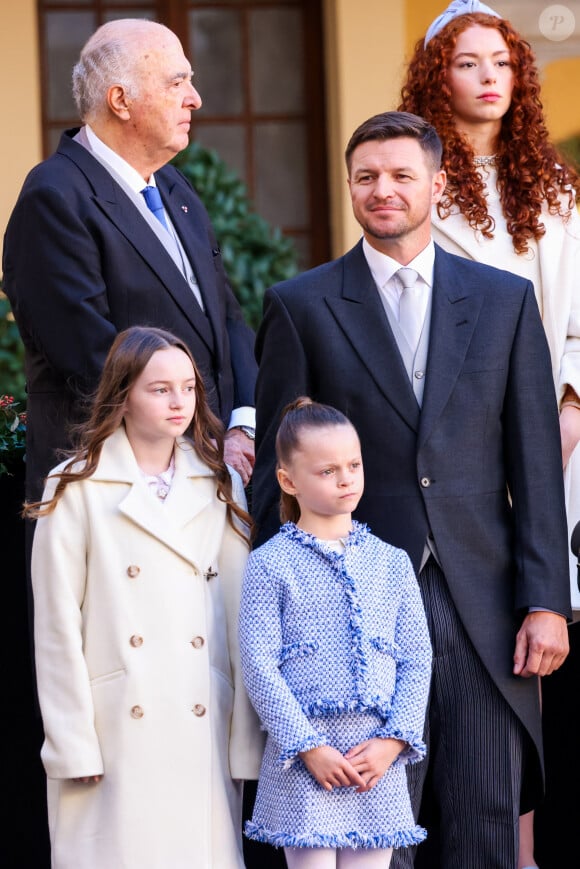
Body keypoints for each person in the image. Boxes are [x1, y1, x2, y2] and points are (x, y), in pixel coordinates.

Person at [249, 111, 571, 869]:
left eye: (400, 175)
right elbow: (277, 471)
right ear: (351, 188)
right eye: (366, 177)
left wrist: (547, 599)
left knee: (486, 812)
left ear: (439, 183)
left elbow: (535, 463)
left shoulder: (504, 299)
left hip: (483, 601)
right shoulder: (300, 304)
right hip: (348, 608)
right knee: (370, 826)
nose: (382, 190)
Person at [397, 3, 580, 866]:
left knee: (532, 637)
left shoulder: (554, 184)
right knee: (465, 655)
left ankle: (520, 849)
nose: (490, 78)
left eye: (503, 64)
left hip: (553, 442)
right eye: (468, 64)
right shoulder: (414, 184)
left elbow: (575, 324)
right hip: (456, 449)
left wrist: (568, 411)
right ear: (439, 76)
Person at [24, 325, 264, 868]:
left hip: (200, 723)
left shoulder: (220, 482)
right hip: (113, 731)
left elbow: (239, 615)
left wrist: (244, 738)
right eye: (159, 389)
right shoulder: (75, 486)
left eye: (188, 387)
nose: (179, 402)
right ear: (123, 392)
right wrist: (71, 741)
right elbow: (57, 626)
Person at [2, 17, 257, 503]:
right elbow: (95, 360)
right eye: (177, 81)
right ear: (121, 101)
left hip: (211, 482)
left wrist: (243, 425)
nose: (194, 98)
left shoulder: (174, 185)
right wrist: (204, 446)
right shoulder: (54, 197)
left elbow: (225, 318)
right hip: (118, 494)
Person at [239, 396, 433, 868]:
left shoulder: (391, 562)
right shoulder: (270, 564)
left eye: (353, 464)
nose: (346, 478)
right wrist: (309, 747)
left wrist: (393, 742)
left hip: (375, 759)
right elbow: (258, 664)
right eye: (327, 471)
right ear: (288, 480)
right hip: (306, 762)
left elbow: (417, 657)